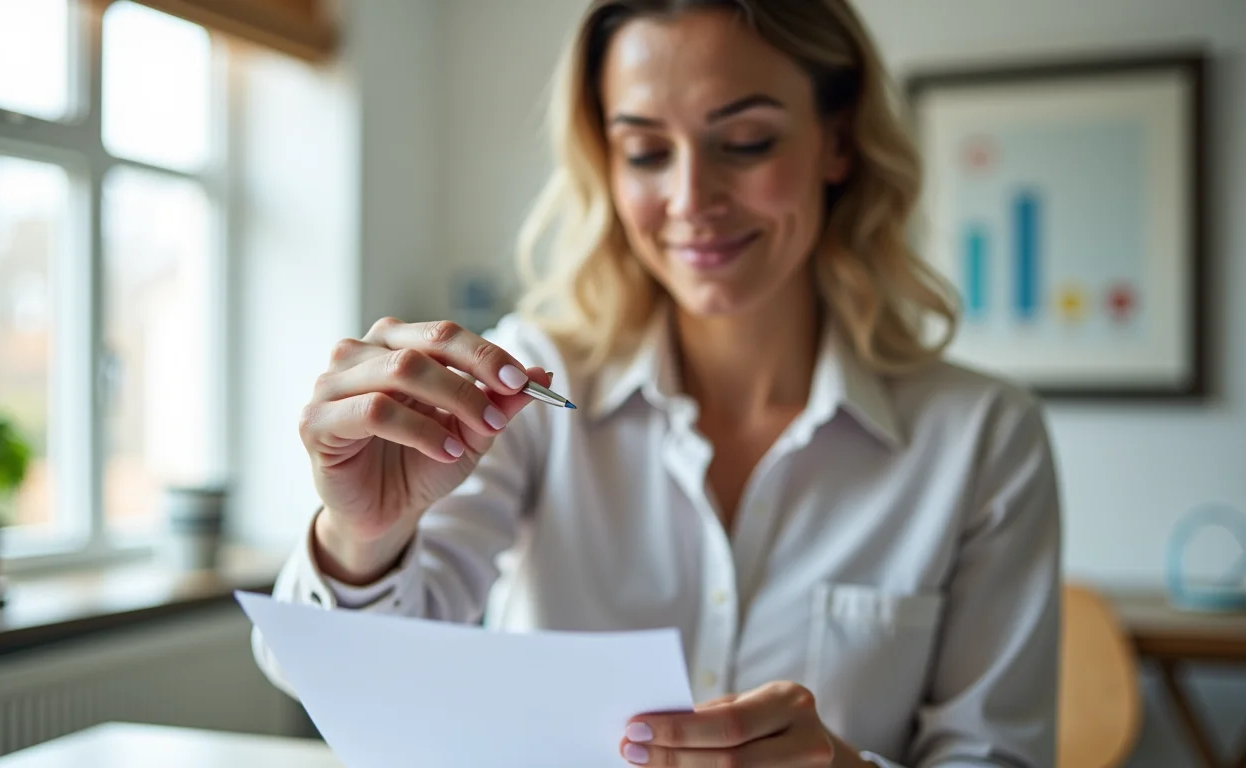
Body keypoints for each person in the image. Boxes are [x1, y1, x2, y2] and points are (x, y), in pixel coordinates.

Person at [253, 1, 1063, 766]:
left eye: (745, 141)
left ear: (837, 141)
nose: (690, 200)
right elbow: (368, 684)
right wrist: (361, 534)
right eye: (645, 151)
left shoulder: (984, 437)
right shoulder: (532, 387)